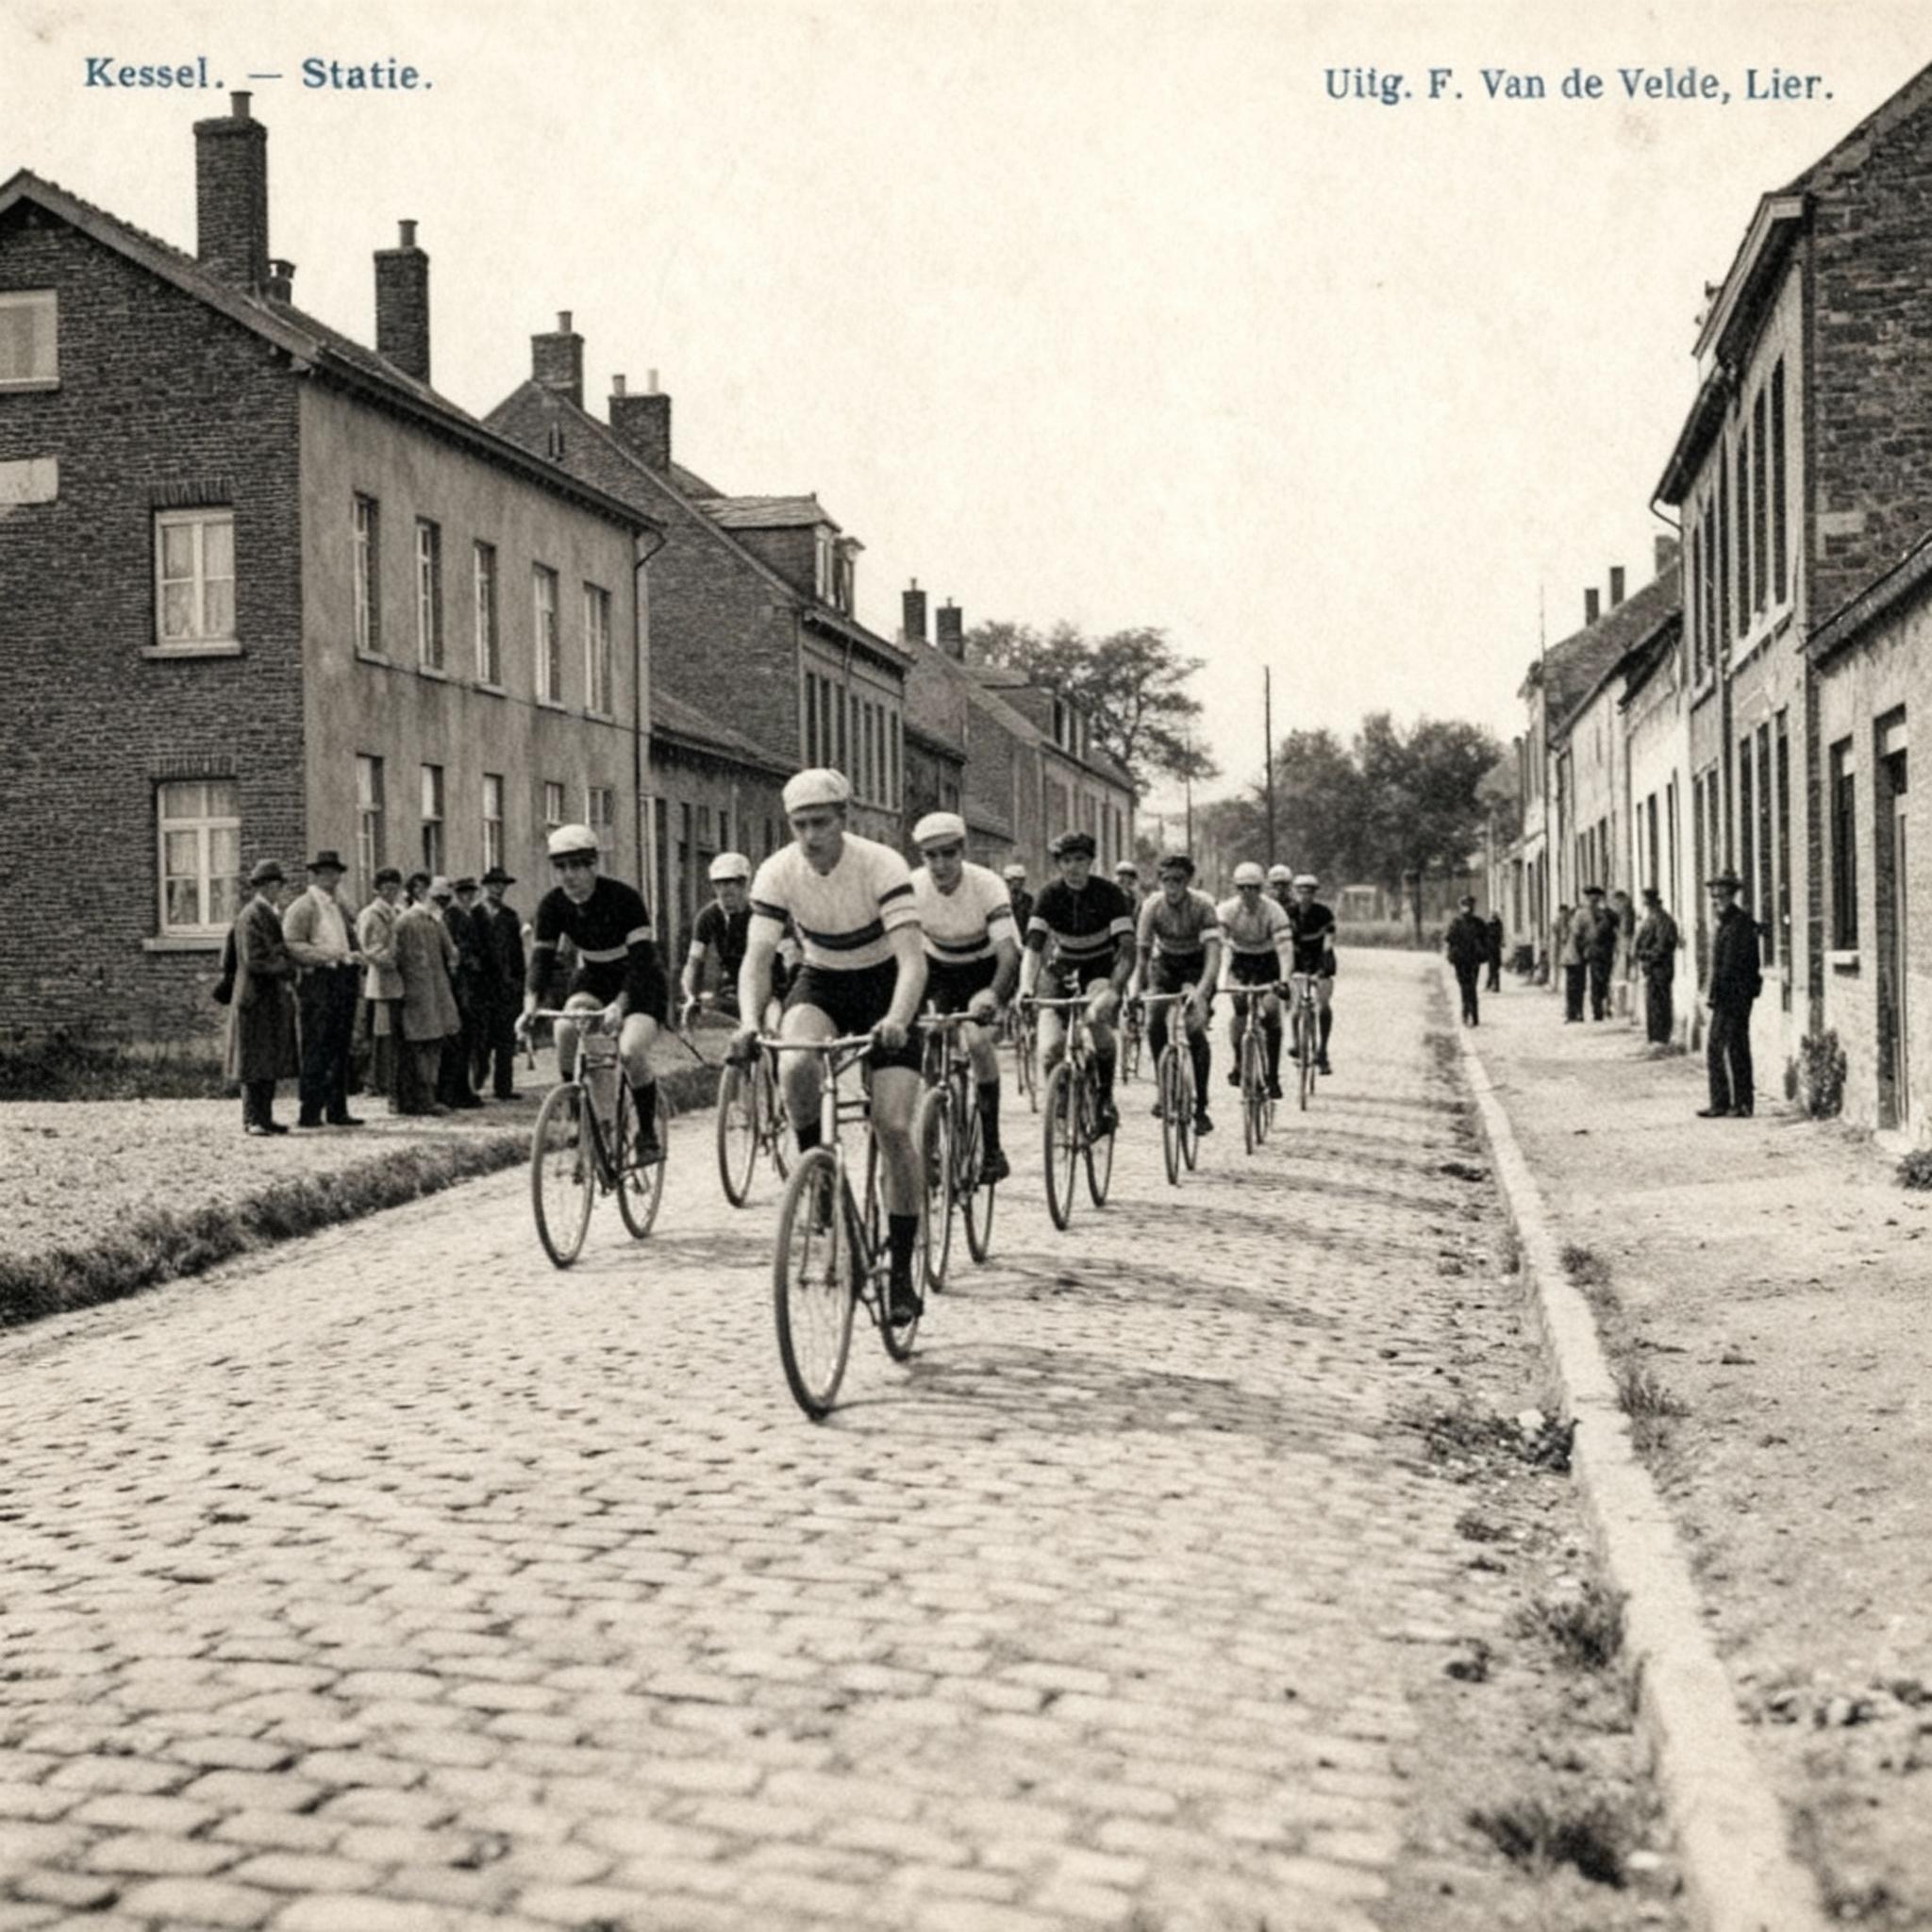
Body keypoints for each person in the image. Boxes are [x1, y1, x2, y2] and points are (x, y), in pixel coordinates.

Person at [732, 769, 928, 1323]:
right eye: (800, 824)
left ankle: (902, 1276)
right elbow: (757, 959)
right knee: (793, 1062)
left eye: (821, 823)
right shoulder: (778, 870)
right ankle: (816, 1168)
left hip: (887, 984)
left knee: (891, 1126)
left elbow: (913, 961)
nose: (810, 835)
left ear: (844, 820)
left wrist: (895, 1018)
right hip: (822, 980)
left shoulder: (881, 864)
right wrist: (749, 1021)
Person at [520, 824, 671, 1162]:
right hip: (593, 976)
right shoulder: (553, 904)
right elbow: (541, 960)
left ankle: (646, 1132)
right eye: (561, 867)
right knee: (565, 1027)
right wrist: (529, 1006)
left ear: (593, 866)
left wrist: (621, 1004)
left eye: (576, 866)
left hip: (639, 979)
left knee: (630, 1051)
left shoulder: (624, 898)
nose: (568, 875)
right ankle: (576, 1108)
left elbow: (642, 962)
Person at [910, 810, 1021, 1184]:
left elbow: (1009, 954)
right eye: (931, 856)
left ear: (962, 852)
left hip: (985, 970)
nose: (940, 865)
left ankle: (992, 1148)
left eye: (948, 854)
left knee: (975, 1041)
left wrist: (992, 993)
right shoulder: (913, 888)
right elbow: (903, 954)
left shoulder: (987, 884)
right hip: (939, 970)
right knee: (929, 1035)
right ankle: (932, 1130)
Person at [1017, 828, 1136, 1136]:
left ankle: (1105, 1097)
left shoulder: (1111, 895)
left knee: (1096, 1020)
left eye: (1080, 860)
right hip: (1061, 969)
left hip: (1099, 969)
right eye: (1066, 861)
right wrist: (1025, 987)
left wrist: (1116, 988)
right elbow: (1032, 947)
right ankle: (1059, 1102)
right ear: (1059, 864)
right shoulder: (1048, 895)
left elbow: (1127, 950)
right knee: (1050, 1048)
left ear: (1091, 862)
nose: (1073, 867)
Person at [1134, 852, 1222, 1133]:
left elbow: (1213, 958)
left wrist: (1202, 993)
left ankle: (1201, 1108)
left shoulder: (1203, 906)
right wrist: (1137, 991)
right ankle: (1164, 1087)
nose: (1172, 887)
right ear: (1159, 881)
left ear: (1188, 881)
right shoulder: (1151, 906)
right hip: (1166, 965)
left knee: (1195, 1028)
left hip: (1197, 967)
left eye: (1179, 881)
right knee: (1153, 1016)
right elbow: (1144, 956)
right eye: (1166, 880)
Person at [281, 849, 364, 1128]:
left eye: (336, 873)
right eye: (326, 873)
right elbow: (292, 945)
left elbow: (351, 939)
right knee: (317, 1045)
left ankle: (337, 1108)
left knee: (340, 1045)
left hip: (342, 980)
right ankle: (310, 1110)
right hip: (318, 982)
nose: (332, 878)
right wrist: (326, 955)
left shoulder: (337, 906)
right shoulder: (303, 907)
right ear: (315, 875)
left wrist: (354, 954)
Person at [225, 859, 299, 1136]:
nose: (277, 890)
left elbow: (278, 950)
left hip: (267, 997)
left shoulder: (268, 913)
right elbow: (254, 960)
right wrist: (285, 966)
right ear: (265, 886)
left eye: (278, 885)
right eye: (274, 885)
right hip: (253, 998)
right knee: (253, 1061)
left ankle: (265, 1117)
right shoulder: (252, 915)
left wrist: (283, 960)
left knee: (268, 1059)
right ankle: (252, 1118)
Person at [1217, 859, 1294, 1100]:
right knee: (1239, 1006)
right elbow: (1220, 946)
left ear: (1261, 889)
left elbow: (1284, 950)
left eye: (1253, 888)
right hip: (1241, 961)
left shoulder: (1274, 910)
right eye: (1242, 888)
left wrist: (1284, 980)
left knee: (1271, 1012)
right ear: (1236, 889)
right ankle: (1239, 1061)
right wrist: (1221, 980)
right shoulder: (1227, 910)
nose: (1247, 893)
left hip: (1267, 962)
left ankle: (1272, 1075)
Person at [682, 852, 785, 1028]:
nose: (725, 890)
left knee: (773, 1027)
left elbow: (787, 956)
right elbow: (694, 962)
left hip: (770, 985)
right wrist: (691, 996)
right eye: (719, 884)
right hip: (732, 989)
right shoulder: (708, 916)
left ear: (745, 884)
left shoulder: (763, 913)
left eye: (731, 883)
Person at [393, 876, 460, 1114]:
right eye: (436, 898)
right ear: (420, 892)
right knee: (419, 1046)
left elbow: (451, 954)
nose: (440, 903)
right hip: (416, 992)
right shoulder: (406, 921)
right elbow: (400, 960)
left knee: (435, 1043)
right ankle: (420, 1098)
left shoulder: (434, 922)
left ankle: (431, 1095)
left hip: (436, 990)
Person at [1700, 870, 1762, 1118]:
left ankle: (1739, 1104)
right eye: (1714, 897)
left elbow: (1734, 966)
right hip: (1727, 996)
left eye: (1721, 897)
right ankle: (1727, 1102)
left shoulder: (1739, 924)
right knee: (1726, 1047)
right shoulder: (1727, 923)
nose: (1716, 902)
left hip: (1735, 997)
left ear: (1731, 896)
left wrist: (1721, 995)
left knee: (1728, 1048)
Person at [471, 866, 525, 1100]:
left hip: (505, 986)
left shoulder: (509, 916)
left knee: (505, 1038)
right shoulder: (475, 914)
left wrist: (519, 981)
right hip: (482, 986)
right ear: (485, 887)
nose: (498, 889)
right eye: (494, 884)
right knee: (481, 1038)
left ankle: (504, 1087)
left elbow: (517, 953)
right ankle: (476, 1083)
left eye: (502, 885)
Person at [357, 868, 406, 1112]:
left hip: (400, 983)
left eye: (395, 888)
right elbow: (370, 949)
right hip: (383, 984)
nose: (391, 893)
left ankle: (393, 1084)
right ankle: (379, 1083)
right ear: (377, 889)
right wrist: (396, 960)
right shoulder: (371, 914)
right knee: (383, 1036)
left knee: (398, 1036)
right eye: (386, 888)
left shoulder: (398, 912)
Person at [1285, 873, 1339, 1074]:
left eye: (1309, 892)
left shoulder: (1323, 913)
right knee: (1296, 1007)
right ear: (1295, 892)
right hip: (1297, 962)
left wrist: (1323, 966)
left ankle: (1323, 1051)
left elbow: (1329, 939)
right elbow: (1284, 942)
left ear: (1314, 894)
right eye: (1301, 892)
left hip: (1320, 961)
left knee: (1323, 1005)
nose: (1305, 896)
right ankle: (1297, 1045)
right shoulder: (1287, 913)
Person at [1633, 885, 1681, 1047]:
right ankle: (1655, 1038)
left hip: (1661, 968)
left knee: (1660, 1003)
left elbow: (1662, 947)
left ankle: (1661, 1039)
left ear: (1655, 904)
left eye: (1649, 904)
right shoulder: (1652, 918)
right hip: (1653, 969)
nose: (1647, 907)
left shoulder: (1662, 920)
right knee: (1653, 1003)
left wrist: (1644, 955)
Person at [1445, 893, 1488, 1026]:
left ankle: (1468, 1014)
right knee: (1469, 987)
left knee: (1467, 987)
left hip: (1467, 959)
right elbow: (1449, 938)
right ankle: (1472, 1015)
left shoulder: (1458, 923)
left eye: (1467, 906)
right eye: (1464, 905)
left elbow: (1448, 938)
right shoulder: (1476, 923)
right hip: (1465, 959)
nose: (1466, 908)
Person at [1583, 885, 1618, 1022]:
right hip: (1595, 951)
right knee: (1597, 981)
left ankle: (1605, 1007)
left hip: (1605, 950)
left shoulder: (1605, 912)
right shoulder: (1587, 912)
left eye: (1594, 896)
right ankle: (1598, 1010)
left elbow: (1616, 921)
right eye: (1590, 897)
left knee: (1604, 979)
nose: (1592, 899)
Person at [1560, 898, 1591, 1022]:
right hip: (1576, 958)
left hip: (1571, 959)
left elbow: (1564, 939)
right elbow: (1578, 941)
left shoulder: (1571, 924)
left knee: (1573, 986)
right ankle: (1575, 1012)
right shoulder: (1576, 925)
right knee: (1577, 986)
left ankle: (1573, 1012)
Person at [1002, 863, 1034, 948]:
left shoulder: (1028, 900)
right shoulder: (1001, 899)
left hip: (1024, 942)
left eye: (1021, 881)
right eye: (1014, 880)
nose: (1018, 884)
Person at [1484, 908, 1505, 993]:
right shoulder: (1489, 925)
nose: (1493, 917)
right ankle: (1493, 986)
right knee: (1493, 968)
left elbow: (1498, 934)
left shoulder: (1498, 924)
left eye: (1494, 915)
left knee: (1495, 967)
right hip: (1491, 949)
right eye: (1492, 915)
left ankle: (1492, 985)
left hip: (1496, 948)